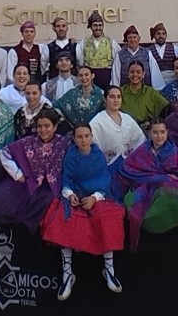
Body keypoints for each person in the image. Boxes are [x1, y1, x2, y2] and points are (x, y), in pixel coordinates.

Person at [39, 123, 126, 300]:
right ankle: (67, 274)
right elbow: (66, 180)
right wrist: (70, 195)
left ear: (91, 136)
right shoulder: (70, 156)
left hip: (98, 195)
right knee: (65, 219)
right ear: (74, 139)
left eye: (87, 136)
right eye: (80, 137)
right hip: (75, 195)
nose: (84, 140)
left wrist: (95, 197)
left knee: (107, 218)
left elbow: (104, 179)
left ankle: (109, 269)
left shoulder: (98, 156)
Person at [116, 119, 178, 248]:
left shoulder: (174, 152)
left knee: (177, 200)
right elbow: (126, 168)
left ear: (167, 133)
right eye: (155, 132)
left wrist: (174, 179)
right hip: (146, 189)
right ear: (149, 133)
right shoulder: (142, 151)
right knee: (134, 208)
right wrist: (151, 179)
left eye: (162, 132)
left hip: (170, 188)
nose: (159, 136)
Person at [0, 110, 70, 233]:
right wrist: (17, 173)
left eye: (47, 126)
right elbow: (4, 152)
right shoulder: (29, 142)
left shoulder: (63, 144)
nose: (43, 130)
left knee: (46, 201)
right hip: (27, 183)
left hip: (50, 187)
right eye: (39, 126)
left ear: (55, 126)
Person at [89, 87, 146, 179]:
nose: (116, 100)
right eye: (112, 97)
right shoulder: (97, 121)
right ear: (105, 99)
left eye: (118, 97)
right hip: (108, 167)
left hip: (129, 163)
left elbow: (140, 139)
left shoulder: (127, 118)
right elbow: (90, 144)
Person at [119, 61, 169, 129]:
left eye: (138, 72)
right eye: (132, 72)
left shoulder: (150, 92)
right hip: (124, 129)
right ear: (128, 74)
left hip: (146, 130)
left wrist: (152, 123)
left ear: (143, 74)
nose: (135, 75)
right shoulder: (120, 92)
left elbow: (166, 108)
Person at [77, 11, 118, 89]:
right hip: (89, 79)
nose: (98, 28)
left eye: (100, 25)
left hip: (106, 78)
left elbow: (116, 64)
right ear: (91, 27)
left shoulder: (111, 42)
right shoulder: (83, 43)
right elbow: (80, 62)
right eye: (95, 25)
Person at [6, 20, 49, 85]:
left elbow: (43, 68)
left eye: (31, 32)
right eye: (26, 31)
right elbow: (10, 74)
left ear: (34, 33)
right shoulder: (14, 51)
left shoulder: (40, 48)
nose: (29, 34)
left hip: (37, 85)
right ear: (22, 33)